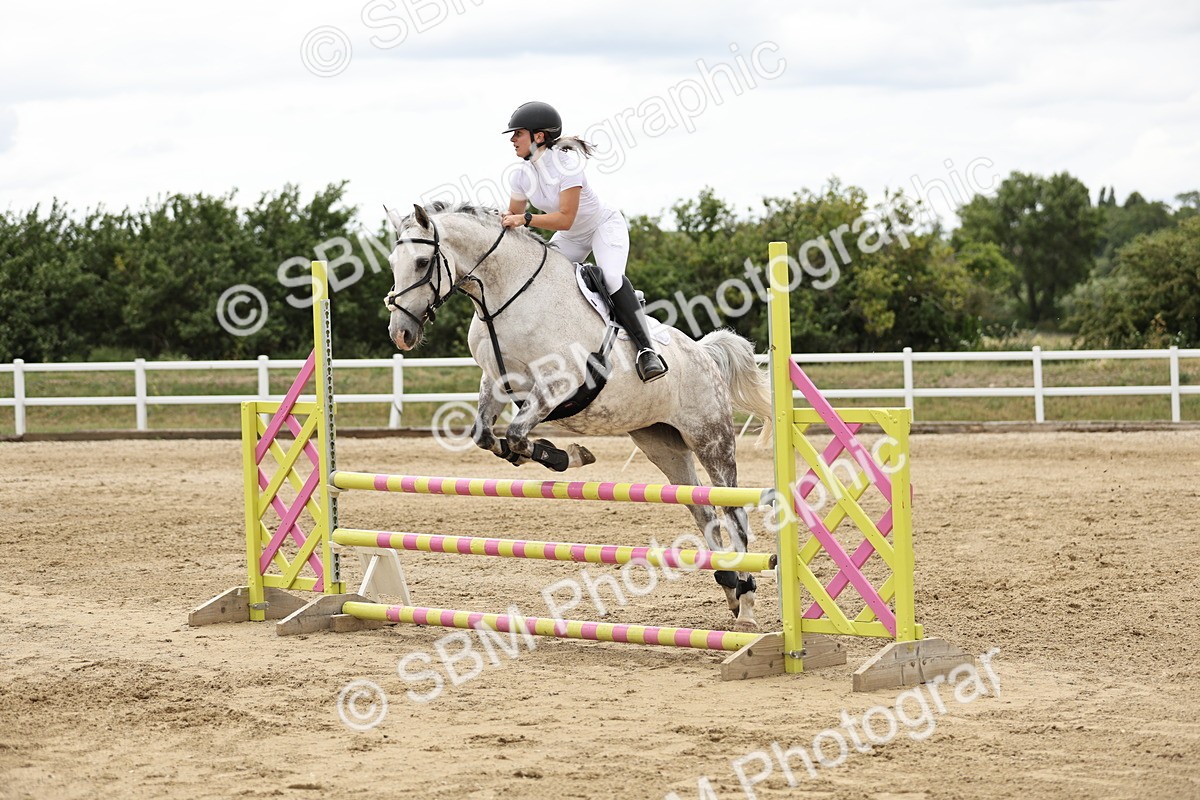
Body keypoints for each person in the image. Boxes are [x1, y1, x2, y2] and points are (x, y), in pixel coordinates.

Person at [500, 101, 668, 383]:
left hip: (602, 226)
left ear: (538, 136)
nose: (513, 140)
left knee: (611, 278)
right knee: (539, 280)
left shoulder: (567, 165)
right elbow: (513, 218)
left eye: (518, 133)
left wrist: (525, 219)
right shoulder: (520, 175)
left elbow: (565, 218)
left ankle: (646, 350)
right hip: (572, 237)